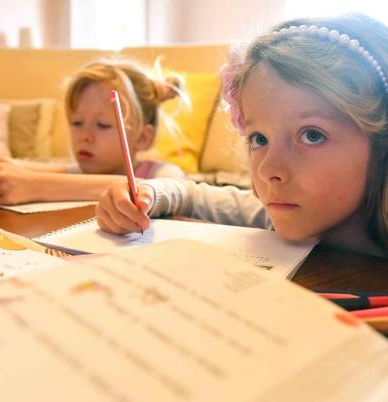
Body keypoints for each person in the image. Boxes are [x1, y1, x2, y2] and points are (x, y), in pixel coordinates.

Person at [95, 13, 388, 258]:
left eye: (311, 135)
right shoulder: (273, 212)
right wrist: (149, 194)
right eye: (259, 139)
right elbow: (191, 194)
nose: (268, 170)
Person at [0, 60, 186, 204]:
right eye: (77, 123)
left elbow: (157, 190)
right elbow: (27, 170)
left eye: (103, 125)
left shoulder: (162, 173)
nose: (85, 136)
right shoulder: (81, 171)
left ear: (142, 137)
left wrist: (37, 186)